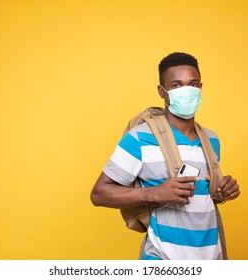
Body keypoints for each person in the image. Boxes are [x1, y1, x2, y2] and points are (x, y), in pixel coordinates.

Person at [90, 52, 240, 260]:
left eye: (193, 84)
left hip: (211, 255)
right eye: (176, 85)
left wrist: (222, 191)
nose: (187, 91)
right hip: (162, 257)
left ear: (201, 88)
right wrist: (155, 193)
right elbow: (99, 194)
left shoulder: (211, 140)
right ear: (162, 91)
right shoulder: (140, 138)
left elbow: (205, 197)